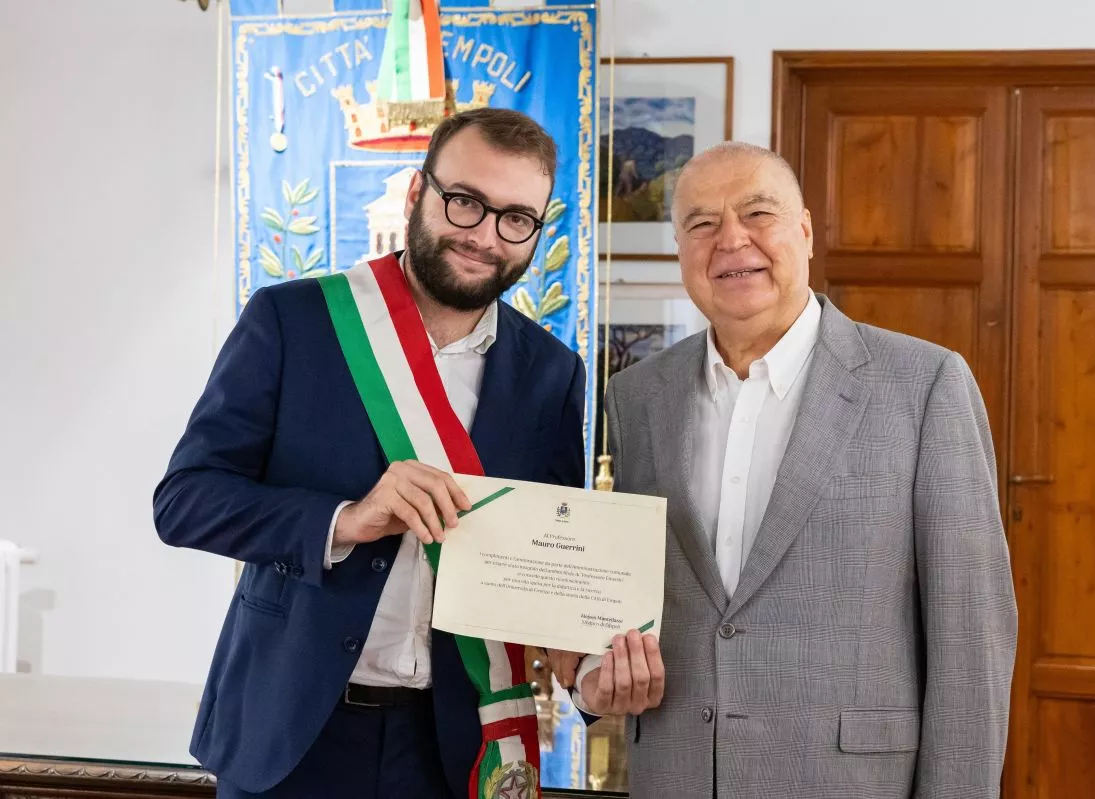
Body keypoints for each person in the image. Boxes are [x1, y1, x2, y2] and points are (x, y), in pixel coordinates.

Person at [551, 142, 1017, 798]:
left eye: (758, 213)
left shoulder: (924, 383)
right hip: (677, 776)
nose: (731, 239)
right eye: (702, 223)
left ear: (804, 230)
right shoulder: (638, 396)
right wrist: (592, 679)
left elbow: (972, 638)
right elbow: (625, 599)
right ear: (680, 249)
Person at [154, 108, 586, 799]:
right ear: (418, 195)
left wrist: (594, 660)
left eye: (516, 218)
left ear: (538, 230)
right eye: (465, 202)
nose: (484, 236)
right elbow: (183, 502)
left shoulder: (551, 373)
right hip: (290, 730)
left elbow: (554, 559)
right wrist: (344, 519)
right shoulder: (291, 321)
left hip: (448, 744)